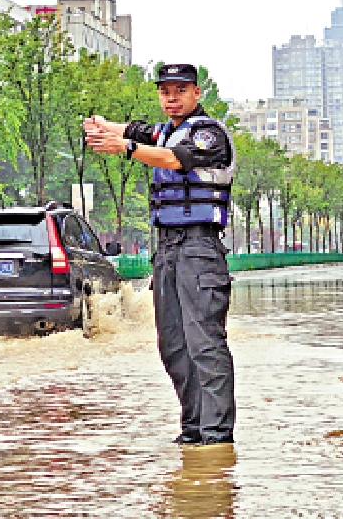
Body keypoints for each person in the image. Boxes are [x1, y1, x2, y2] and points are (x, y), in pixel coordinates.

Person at [84, 63, 236, 446]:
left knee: (205, 343)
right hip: (166, 248)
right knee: (172, 344)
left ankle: (216, 439)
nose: (172, 97)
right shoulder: (163, 131)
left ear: (196, 93)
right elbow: (133, 130)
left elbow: (173, 159)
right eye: (165, 90)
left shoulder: (209, 134)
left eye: (180, 90)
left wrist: (127, 148)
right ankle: (194, 430)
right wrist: (104, 127)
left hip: (199, 248)